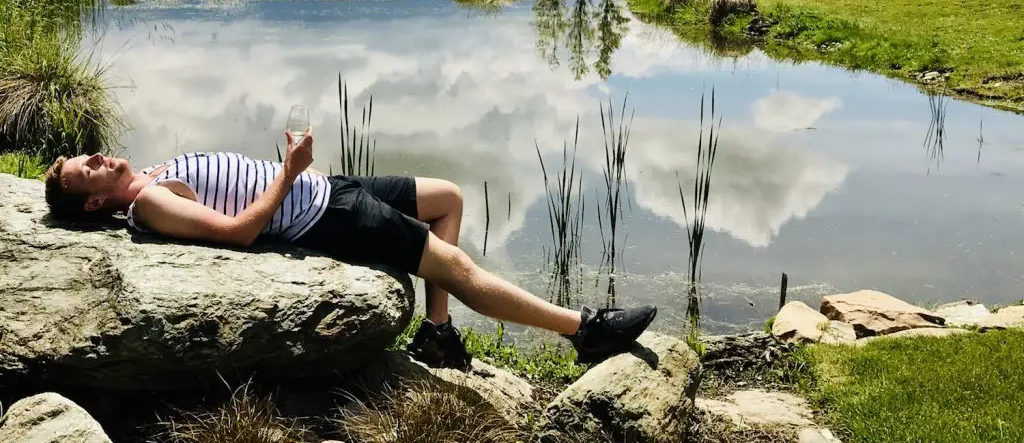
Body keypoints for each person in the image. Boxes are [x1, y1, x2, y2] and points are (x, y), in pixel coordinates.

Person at [43, 130, 656, 371]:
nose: (97, 157)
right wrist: (288, 170)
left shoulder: (144, 173)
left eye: (90, 156)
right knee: (460, 269)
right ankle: (583, 330)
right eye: (87, 170)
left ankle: (437, 334)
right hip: (325, 215)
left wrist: (300, 173)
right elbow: (238, 234)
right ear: (97, 204)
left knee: (448, 197)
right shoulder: (147, 204)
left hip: (330, 187)